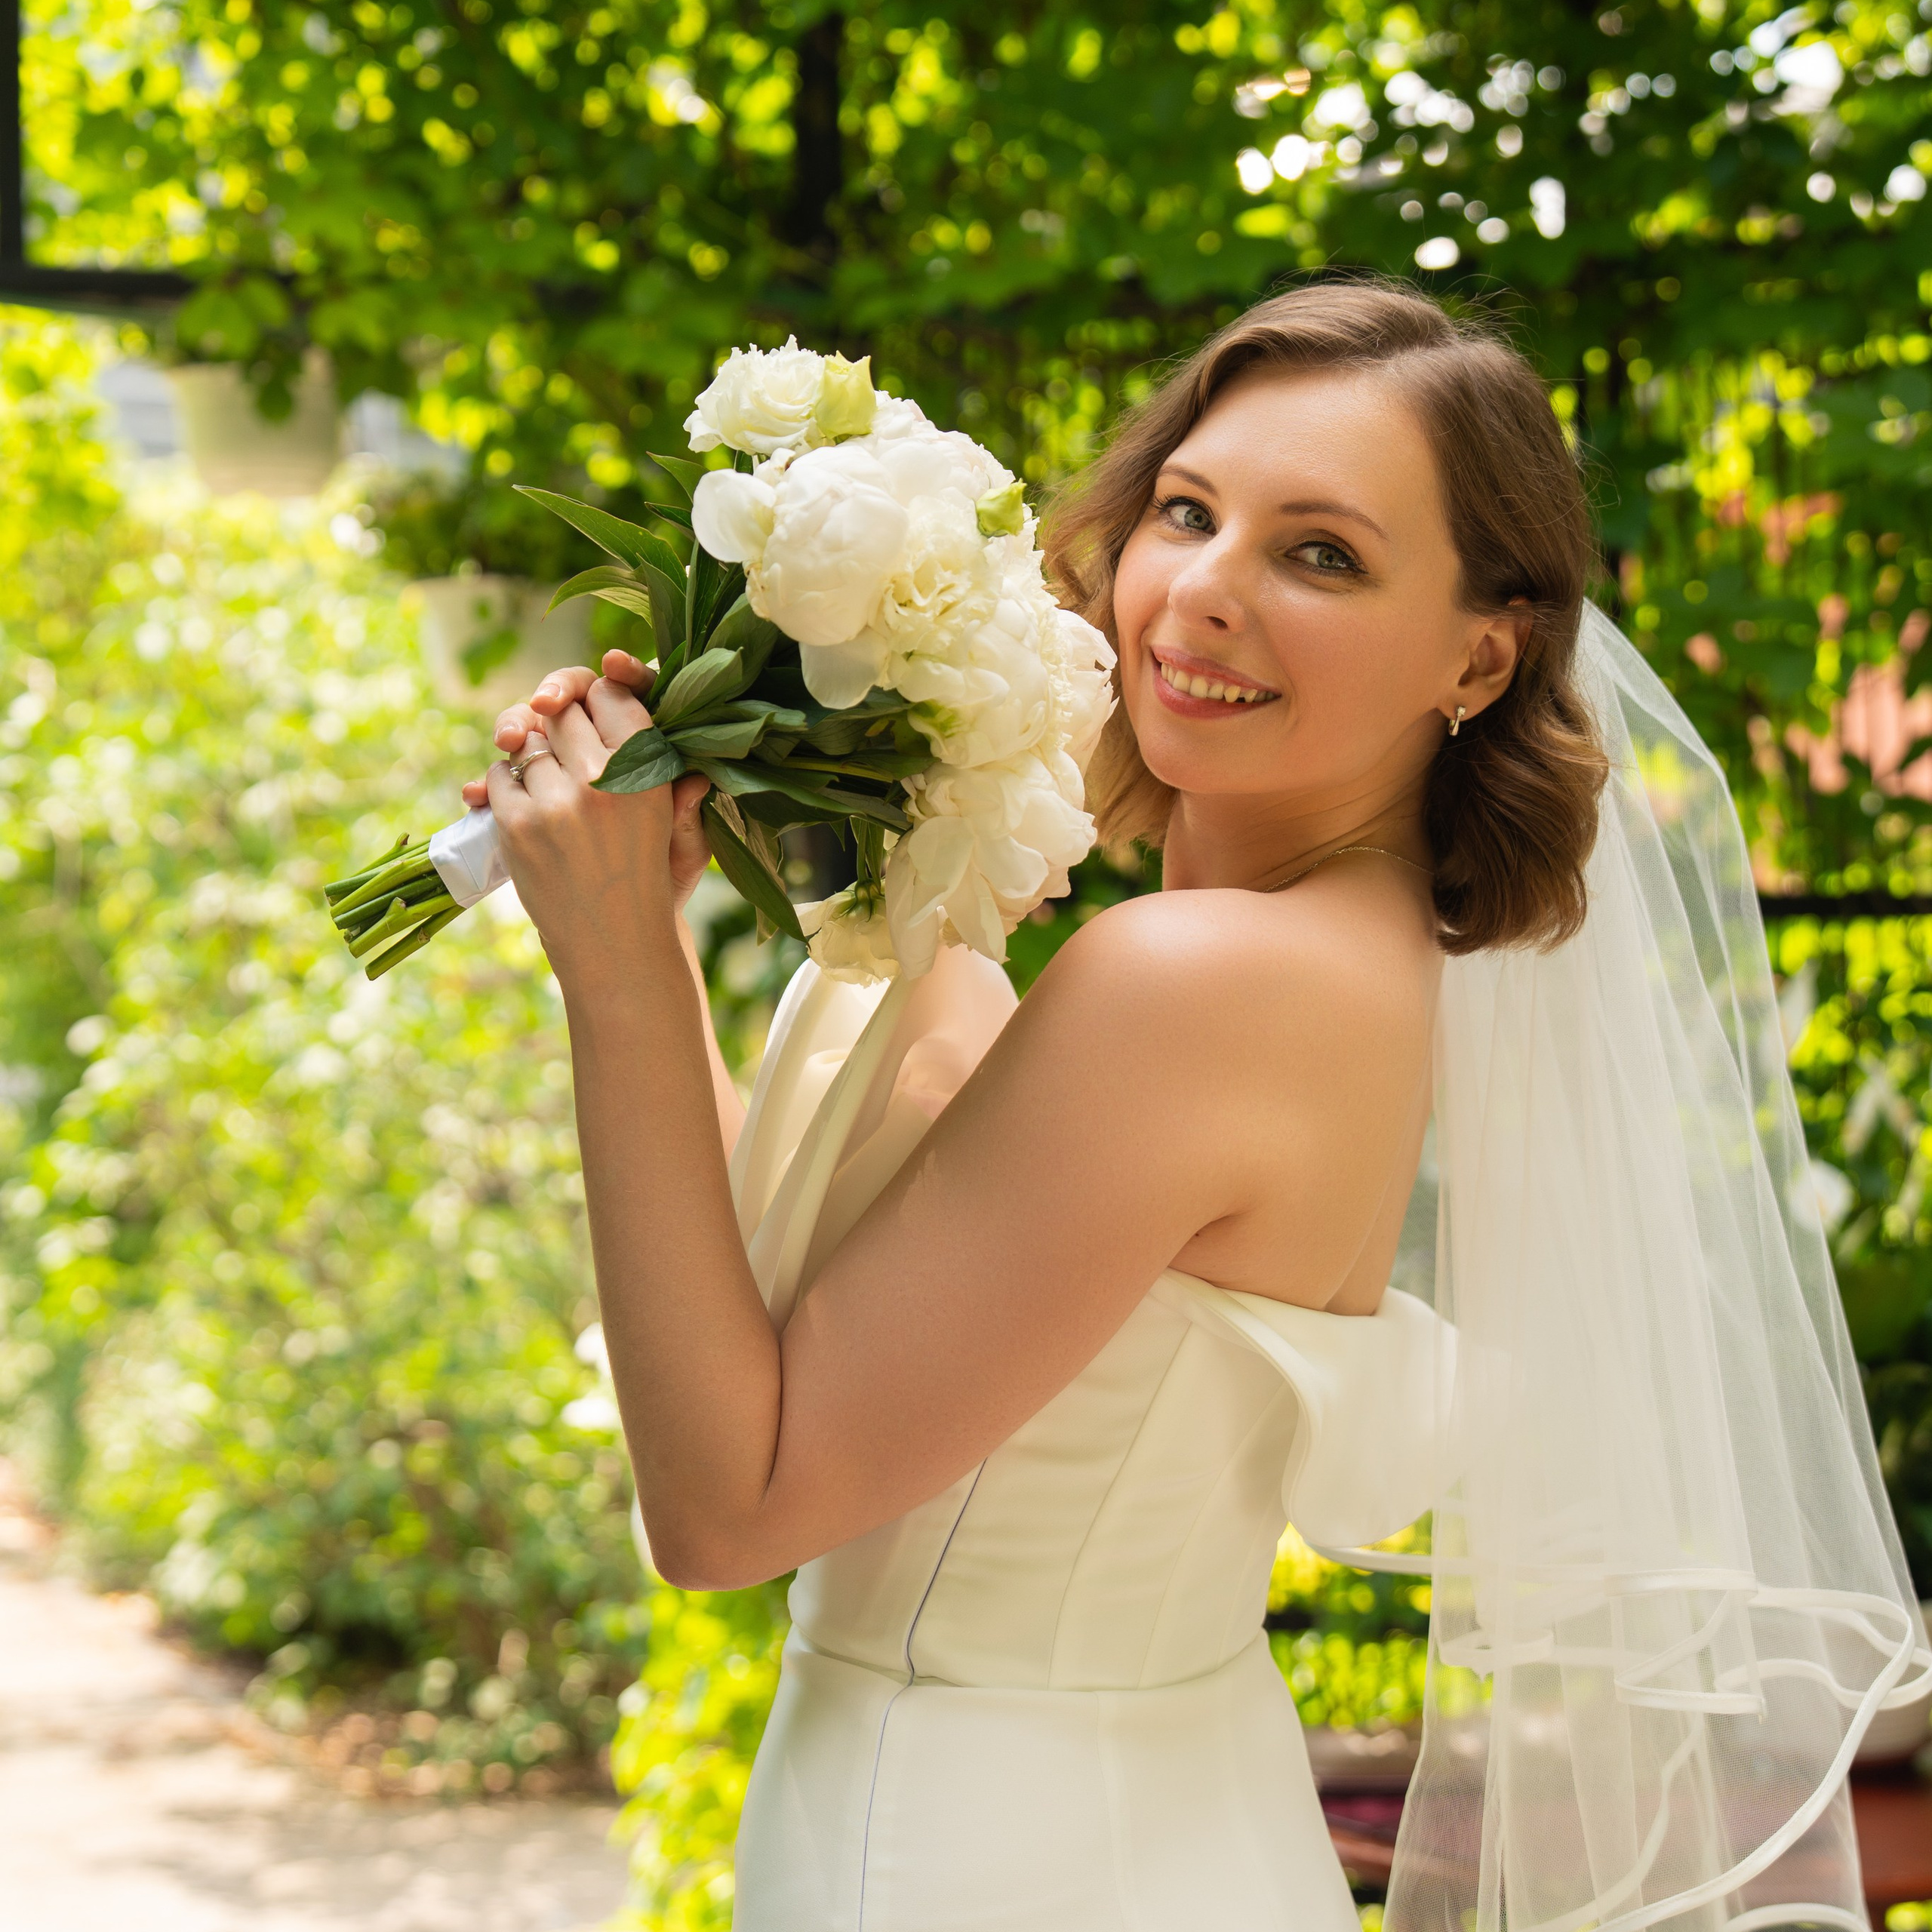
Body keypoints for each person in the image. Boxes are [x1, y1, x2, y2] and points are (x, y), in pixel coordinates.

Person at [468, 282, 1928, 1932]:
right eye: (1186, 508)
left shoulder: (1187, 983)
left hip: (979, 1851)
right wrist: (619, 922)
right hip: (1146, 1803)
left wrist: (621, 982)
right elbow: (805, 1318)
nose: (1202, 592)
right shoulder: (1353, 960)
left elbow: (729, 1504)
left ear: (1479, 649)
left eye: (1321, 553)